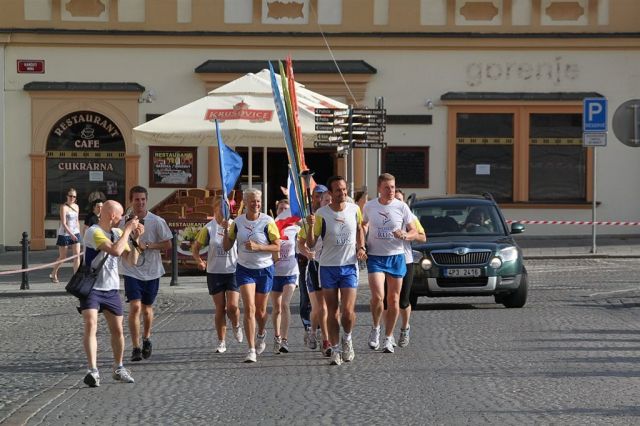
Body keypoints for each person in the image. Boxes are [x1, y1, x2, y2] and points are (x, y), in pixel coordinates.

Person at [80, 200, 142, 387]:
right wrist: (129, 231)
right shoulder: (94, 232)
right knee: (91, 324)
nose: (123, 219)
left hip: (111, 287)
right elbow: (115, 251)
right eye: (121, 215)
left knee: (117, 330)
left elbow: (131, 261)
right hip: (92, 287)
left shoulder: (117, 233)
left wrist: (135, 240)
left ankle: (118, 367)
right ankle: (93, 370)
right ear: (112, 215)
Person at [306, 176, 366, 366]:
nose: (342, 193)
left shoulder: (354, 209)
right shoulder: (321, 214)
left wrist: (361, 247)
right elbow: (311, 243)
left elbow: (359, 229)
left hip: (348, 266)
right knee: (332, 311)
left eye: (344, 189)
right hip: (328, 267)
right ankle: (335, 348)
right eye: (338, 190)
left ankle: (347, 339)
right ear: (330, 194)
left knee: (347, 312)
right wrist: (309, 225)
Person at [223, 188, 280, 363]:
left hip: (264, 269)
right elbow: (226, 246)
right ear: (245, 203)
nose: (256, 204)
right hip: (244, 269)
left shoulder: (267, 221)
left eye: (258, 201)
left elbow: (277, 246)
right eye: (252, 201)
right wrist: (226, 230)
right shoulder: (238, 222)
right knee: (249, 308)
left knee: (261, 312)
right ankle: (251, 349)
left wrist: (259, 247)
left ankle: (261, 333)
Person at [362, 173, 417, 353]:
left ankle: (388, 337)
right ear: (379, 188)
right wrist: (361, 244)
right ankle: (376, 328)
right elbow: (363, 225)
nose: (391, 191)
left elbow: (414, 231)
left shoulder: (402, 207)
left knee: (394, 299)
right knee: (378, 297)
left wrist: (405, 235)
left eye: (393, 187)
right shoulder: (370, 206)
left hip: (396, 256)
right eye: (387, 187)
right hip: (376, 256)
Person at [120, 186, 172, 362]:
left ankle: (146, 338)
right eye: (137, 199)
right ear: (131, 201)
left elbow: (167, 245)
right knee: (135, 306)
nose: (140, 203)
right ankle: (135, 347)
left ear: (146, 200)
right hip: (131, 270)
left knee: (147, 309)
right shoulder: (123, 222)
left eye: (143, 199)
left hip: (152, 270)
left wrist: (148, 245)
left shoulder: (156, 221)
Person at [191, 196, 242, 354]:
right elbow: (195, 248)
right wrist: (199, 260)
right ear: (215, 209)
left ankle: (236, 324)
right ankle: (221, 341)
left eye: (226, 208)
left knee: (232, 307)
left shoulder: (235, 225)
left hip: (233, 270)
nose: (223, 211)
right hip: (214, 272)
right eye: (220, 208)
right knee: (220, 308)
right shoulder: (209, 228)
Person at [382, 189, 426, 348]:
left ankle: (405, 327)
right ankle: (389, 335)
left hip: (406, 260)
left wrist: (406, 235)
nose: (398, 203)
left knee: (403, 300)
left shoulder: (411, 218)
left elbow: (422, 237)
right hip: (386, 259)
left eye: (401, 200)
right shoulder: (385, 214)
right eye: (397, 200)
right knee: (387, 300)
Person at [297, 189, 332, 356]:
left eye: (330, 200)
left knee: (331, 307)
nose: (328, 203)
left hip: (334, 266)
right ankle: (320, 337)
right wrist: (307, 253)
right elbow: (301, 245)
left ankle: (326, 336)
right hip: (315, 266)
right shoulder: (314, 219)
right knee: (319, 308)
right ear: (320, 202)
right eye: (326, 200)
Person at [271, 199, 300, 354]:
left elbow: (303, 245)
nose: (284, 211)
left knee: (285, 304)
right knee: (276, 308)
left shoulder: (295, 229)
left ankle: (285, 339)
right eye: (281, 208)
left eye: (287, 209)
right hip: (275, 272)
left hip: (291, 271)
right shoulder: (271, 227)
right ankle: (276, 336)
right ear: (277, 210)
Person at [50, 188, 82, 283]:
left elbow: (77, 221)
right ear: (67, 196)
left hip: (75, 232)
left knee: (77, 256)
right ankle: (54, 272)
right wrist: (71, 234)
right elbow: (63, 223)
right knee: (63, 257)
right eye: (70, 196)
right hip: (64, 233)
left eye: (74, 196)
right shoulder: (63, 207)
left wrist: (78, 232)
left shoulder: (76, 206)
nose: (72, 198)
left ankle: (76, 277)